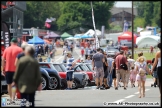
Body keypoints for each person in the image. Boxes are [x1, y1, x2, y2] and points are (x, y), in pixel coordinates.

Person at [1, 38, 23, 102]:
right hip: (16, 70)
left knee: (9, 84)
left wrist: (3, 69)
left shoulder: (6, 49)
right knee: (14, 84)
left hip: (7, 69)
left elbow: (3, 59)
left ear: (11, 43)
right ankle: (13, 97)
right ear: (16, 43)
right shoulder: (20, 49)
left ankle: (10, 98)